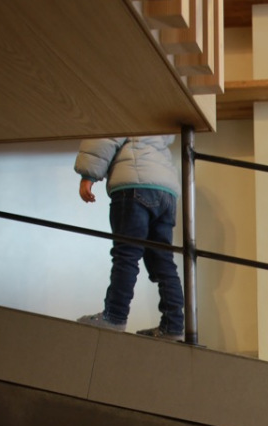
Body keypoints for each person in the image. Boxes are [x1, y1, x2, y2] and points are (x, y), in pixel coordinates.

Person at [74, 135, 185, 341]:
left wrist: (88, 174)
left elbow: (108, 131)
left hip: (134, 186)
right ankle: (173, 325)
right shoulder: (160, 120)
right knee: (163, 261)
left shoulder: (132, 114)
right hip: (167, 192)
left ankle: (114, 316)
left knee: (126, 255)